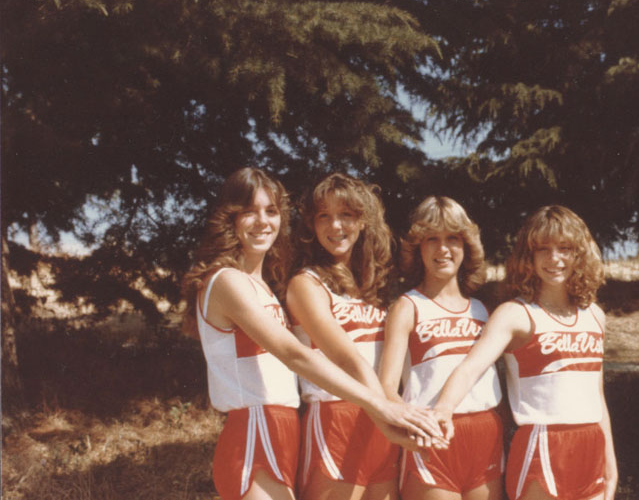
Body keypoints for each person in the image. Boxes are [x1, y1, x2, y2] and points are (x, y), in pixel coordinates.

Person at [181, 168, 444, 500]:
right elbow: (296, 355)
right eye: (249, 211)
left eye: (271, 211)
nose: (262, 221)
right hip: (256, 427)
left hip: (283, 427)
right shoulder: (227, 281)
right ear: (229, 217)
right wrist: (383, 405)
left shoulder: (261, 285)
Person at [432, 205, 618, 500]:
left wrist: (610, 459)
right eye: (543, 249)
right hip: (542, 442)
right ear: (528, 257)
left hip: (591, 443)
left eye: (565, 248)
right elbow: (470, 368)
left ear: (579, 253)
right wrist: (442, 409)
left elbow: (597, 394)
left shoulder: (594, 314)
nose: (554, 258)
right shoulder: (514, 314)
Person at [287, 173, 428, 500]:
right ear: (312, 225)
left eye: (345, 215)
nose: (335, 226)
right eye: (324, 216)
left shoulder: (372, 288)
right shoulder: (306, 284)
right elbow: (345, 358)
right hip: (336, 419)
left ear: (363, 221)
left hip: (381, 422)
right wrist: (386, 407)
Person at [378, 196, 505, 500]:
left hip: (486, 434)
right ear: (417, 247)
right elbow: (386, 388)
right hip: (432, 437)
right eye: (431, 239)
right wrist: (413, 425)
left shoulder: (483, 311)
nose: (443, 249)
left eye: (452, 238)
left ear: (467, 246)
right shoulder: (407, 307)